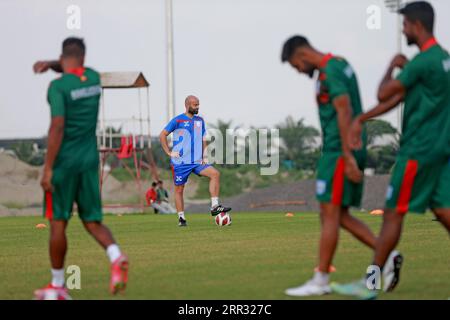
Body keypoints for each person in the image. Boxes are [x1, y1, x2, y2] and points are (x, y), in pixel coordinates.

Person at [332, 1, 450, 299]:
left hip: (418, 152)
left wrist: (392, 65)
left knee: (392, 216)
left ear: (417, 25)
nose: (403, 29)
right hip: (439, 151)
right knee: (444, 212)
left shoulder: (421, 62)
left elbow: (385, 92)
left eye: (405, 24)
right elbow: (398, 99)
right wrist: (363, 118)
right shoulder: (442, 60)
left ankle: (370, 283)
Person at [280, 35, 400, 296]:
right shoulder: (340, 64)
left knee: (330, 214)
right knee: (337, 215)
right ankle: (388, 254)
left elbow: (344, 111)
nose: (299, 72)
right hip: (345, 147)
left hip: (338, 149)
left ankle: (321, 279)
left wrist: (346, 156)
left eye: (295, 66)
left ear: (302, 55)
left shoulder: (329, 72)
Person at [32, 37, 128, 300]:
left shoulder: (58, 86)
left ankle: (58, 285)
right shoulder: (95, 79)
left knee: (58, 223)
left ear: (62, 58)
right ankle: (116, 255)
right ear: (84, 59)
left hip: (63, 163)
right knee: (93, 221)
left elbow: (57, 126)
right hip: (88, 162)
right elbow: (75, 69)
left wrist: (48, 168)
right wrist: (55, 63)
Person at [159, 95, 231, 226]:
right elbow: (162, 135)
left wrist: (204, 156)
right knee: (179, 190)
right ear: (187, 105)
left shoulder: (200, 121)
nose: (197, 107)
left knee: (215, 174)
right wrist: (169, 152)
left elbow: (203, 139)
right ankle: (181, 218)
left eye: (198, 104)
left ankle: (215, 206)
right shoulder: (178, 120)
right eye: (195, 105)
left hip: (197, 161)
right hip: (180, 163)